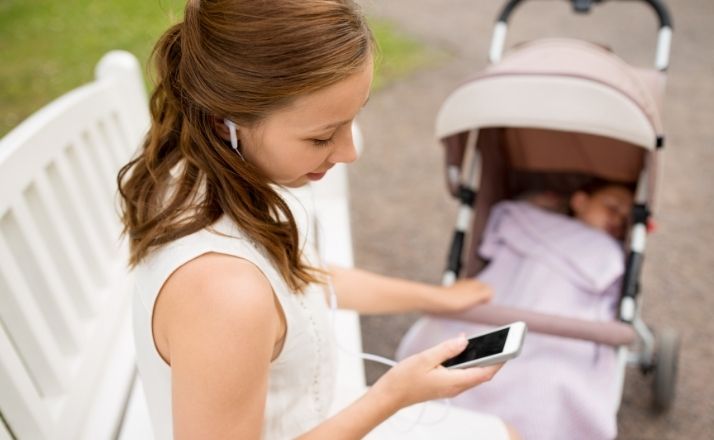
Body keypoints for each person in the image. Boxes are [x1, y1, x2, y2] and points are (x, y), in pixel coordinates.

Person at [118, 1, 519, 439]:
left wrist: (436, 298)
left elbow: (301, 281)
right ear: (224, 124)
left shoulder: (209, 172)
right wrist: (392, 396)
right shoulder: (223, 294)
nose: (350, 152)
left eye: (353, 118)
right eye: (322, 136)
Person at [397, 180, 634, 440]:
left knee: (551, 379)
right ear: (580, 201)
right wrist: (534, 202)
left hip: (560, 329)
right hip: (500, 306)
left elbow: (608, 304)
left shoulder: (610, 254)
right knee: (449, 345)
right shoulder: (529, 221)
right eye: (612, 207)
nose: (619, 218)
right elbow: (500, 226)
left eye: (627, 219)